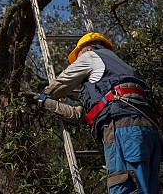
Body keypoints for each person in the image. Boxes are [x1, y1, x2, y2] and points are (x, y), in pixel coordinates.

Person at [28, 32, 161, 193]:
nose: (78, 62)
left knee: (124, 184)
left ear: (88, 48)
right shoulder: (121, 71)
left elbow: (63, 82)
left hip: (122, 127)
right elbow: (80, 115)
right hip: (148, 129)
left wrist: (43, 95)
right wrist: (46, 103)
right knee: (147, 187)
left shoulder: (91, 55)